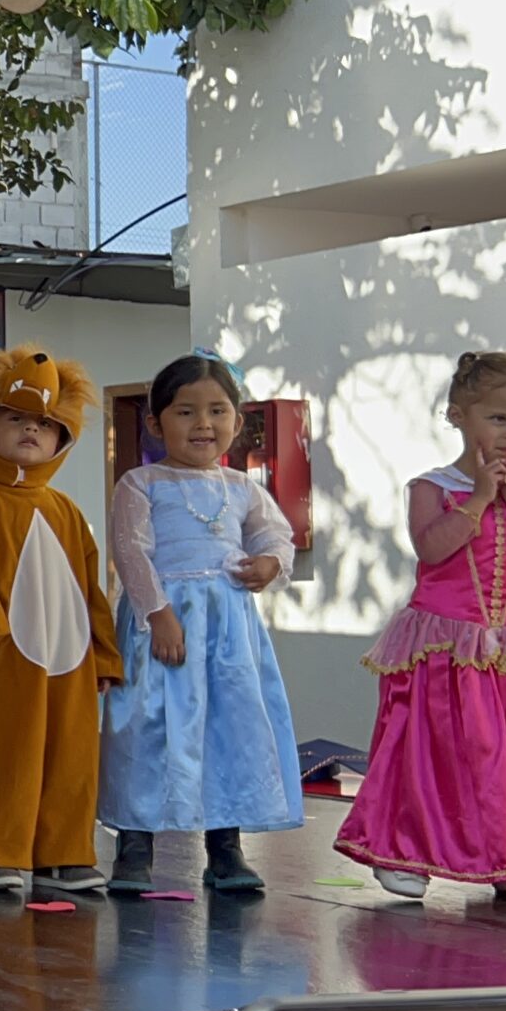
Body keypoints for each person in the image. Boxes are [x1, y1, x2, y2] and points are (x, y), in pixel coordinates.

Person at [338, 352, 506, 903]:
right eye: (500, 419)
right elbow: (432, 551)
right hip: (445, 645)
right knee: (434, 755)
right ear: (459, 414)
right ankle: (408, 852)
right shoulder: (432, 486)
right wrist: (483, 498)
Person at [101, 352, 303, 893]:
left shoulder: (242, 488)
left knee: (227, 728)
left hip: (229, 632)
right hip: (164, 626)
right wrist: (158, 614)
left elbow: (274, 535)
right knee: (147, 727)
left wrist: (269, 565)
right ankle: (135, 847)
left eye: (218, 412)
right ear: (155, 423)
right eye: (186, 412)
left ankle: (226, 848)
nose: (204, 425)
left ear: (237, 423)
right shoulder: (141, 483)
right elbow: (132, 552)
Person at [0, 345, 122, 894]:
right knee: (2, 755)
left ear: (63, 437)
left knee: (72, 755)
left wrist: (105, 656)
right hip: (2, 662)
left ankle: (64, 853)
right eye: (15, 419)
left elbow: (91, 589)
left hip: (71, 660)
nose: (30, 432)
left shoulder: (66, 511)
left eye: (44, 424)